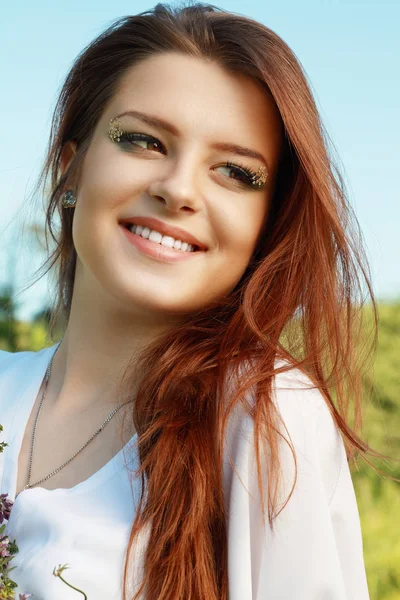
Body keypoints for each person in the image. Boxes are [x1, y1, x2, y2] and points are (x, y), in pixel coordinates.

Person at [0, 2, 387, 599]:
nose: (178, 189)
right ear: (69, 170)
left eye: (235, 172)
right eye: (144, 140)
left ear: (267, 223)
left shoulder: (265, 415)